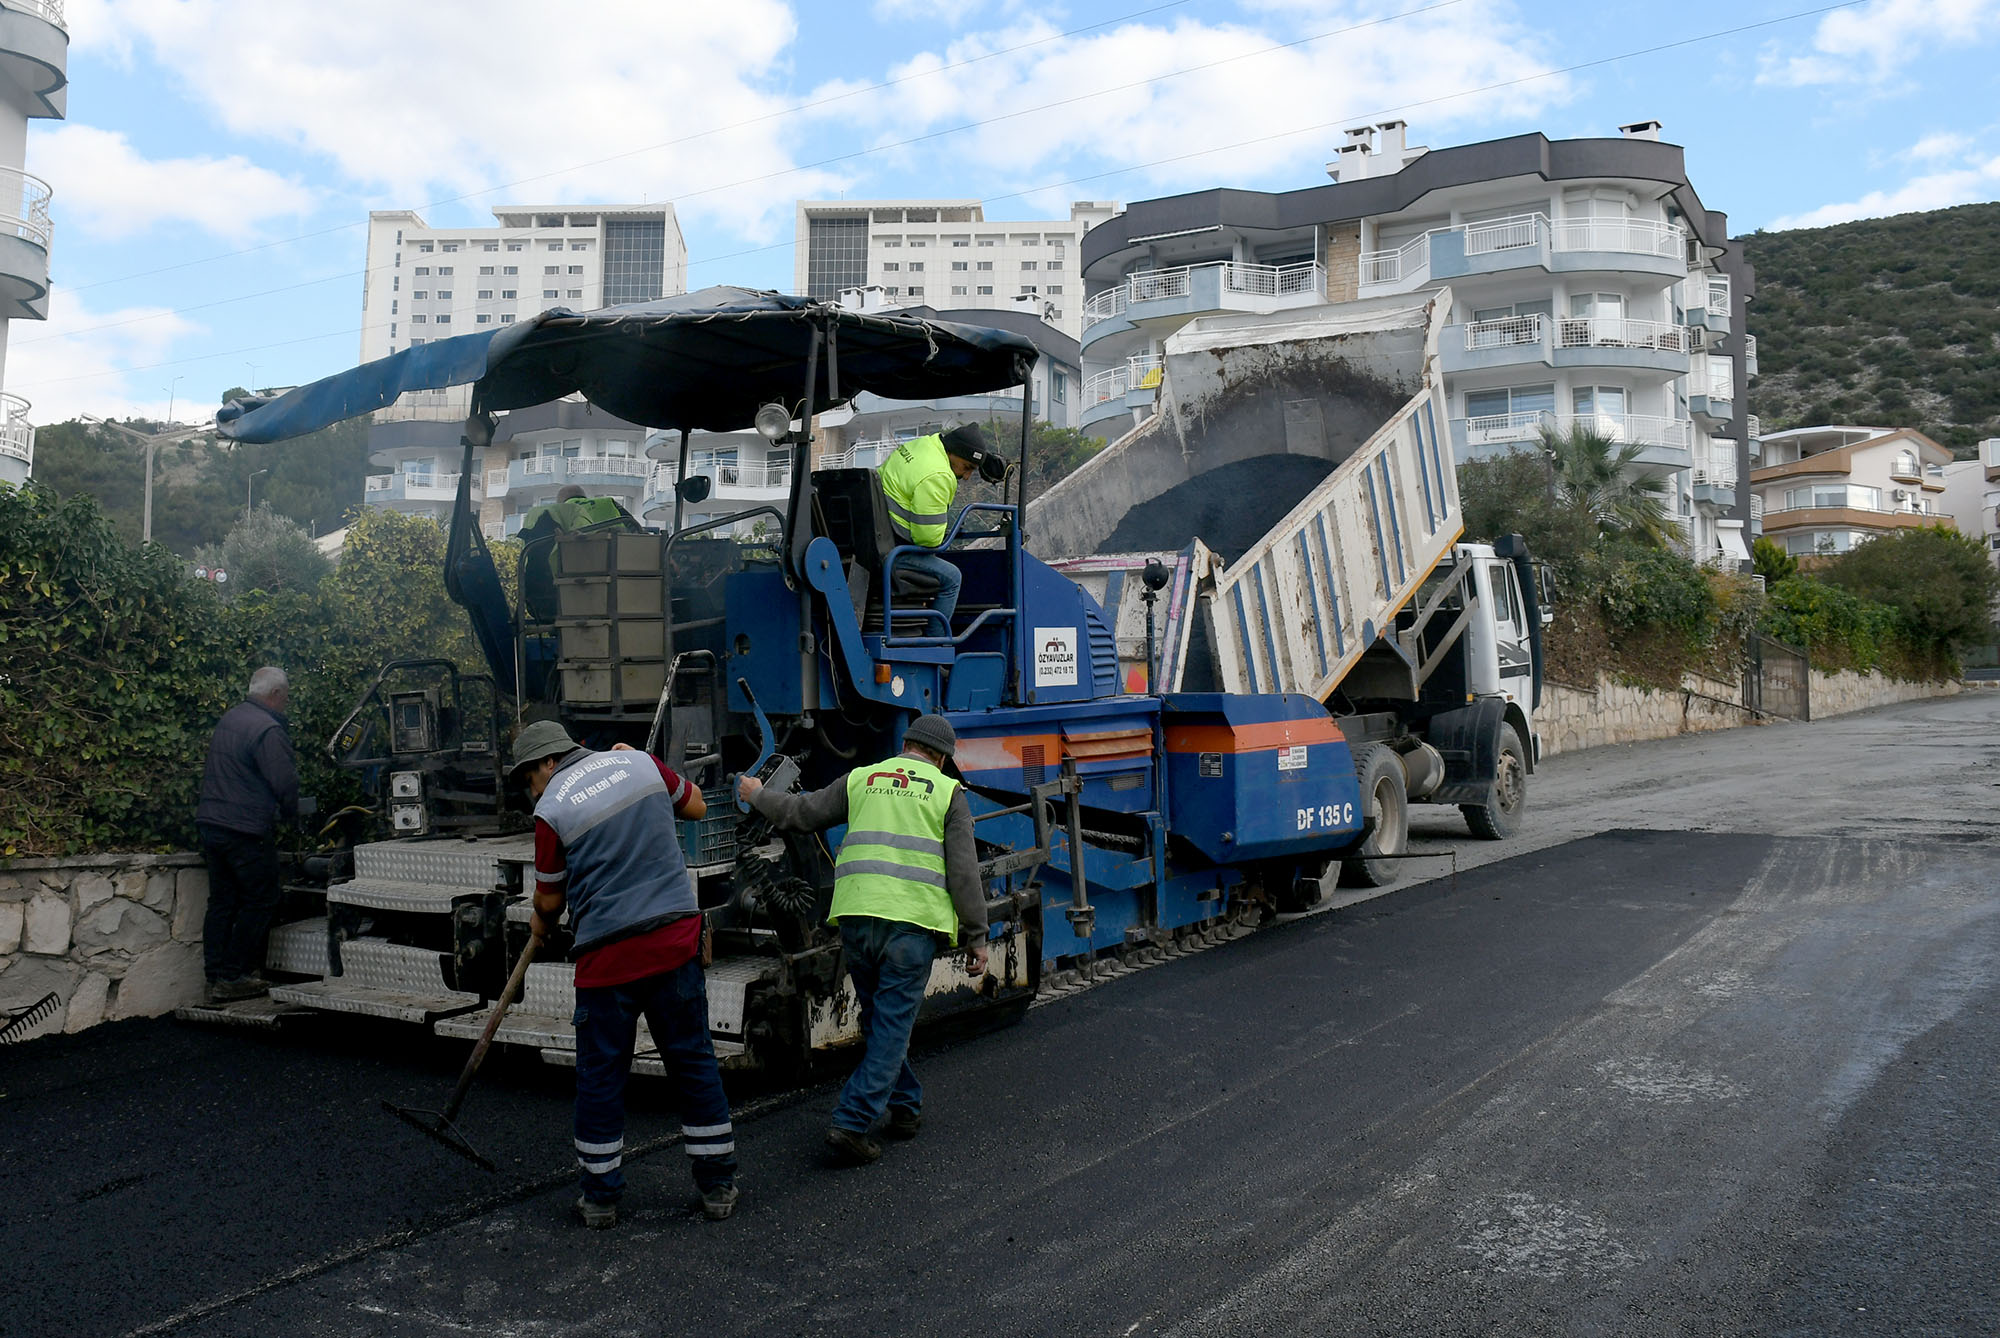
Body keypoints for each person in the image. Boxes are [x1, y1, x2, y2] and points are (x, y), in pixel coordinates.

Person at [512, 720, 739, 1228]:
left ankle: (600, 1200)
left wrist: (538, 921)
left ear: (548, 762)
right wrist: (646, 767)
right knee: (693, 1064)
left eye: (529, 776)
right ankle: (718, 1187)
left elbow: (549, 900)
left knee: (600, 1079)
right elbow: (698, 807)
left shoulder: (550, 810)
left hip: (607, 961)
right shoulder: (639, 763)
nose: (532, 788)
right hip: (672, 947)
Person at [737, 713, 988, 1165]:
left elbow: (800, 813)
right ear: (943, 758)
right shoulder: (949, 794)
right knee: (891, 1030)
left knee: (879, 1024)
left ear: (907, 745)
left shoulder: (862, 779)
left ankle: (906, 1108)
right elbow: (965, 874)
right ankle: (852, 1121)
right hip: (909, 927)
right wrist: (978, 936)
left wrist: (758, 796)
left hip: (856, 920)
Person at [195, 666, 299, 1003]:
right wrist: (293, 816)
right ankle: (234, 976)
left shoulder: (231, 719)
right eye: (285, 697)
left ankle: (214, 978)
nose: (285, 703)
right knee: (261, 899)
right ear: (276, 695)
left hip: (212, 824)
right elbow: (284, 783)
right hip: (244, 829)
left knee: (223, 902)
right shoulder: (267, 729)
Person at [876, 423, 1006, 631]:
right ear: (954, 453)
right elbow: (929, 540)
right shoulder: (938, 474)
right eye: (967, 467)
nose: (966, 476)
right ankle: (937, 644)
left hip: (879, 536)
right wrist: (946, 530)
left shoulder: (922, 445)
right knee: (953, 577)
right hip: (894, 550)